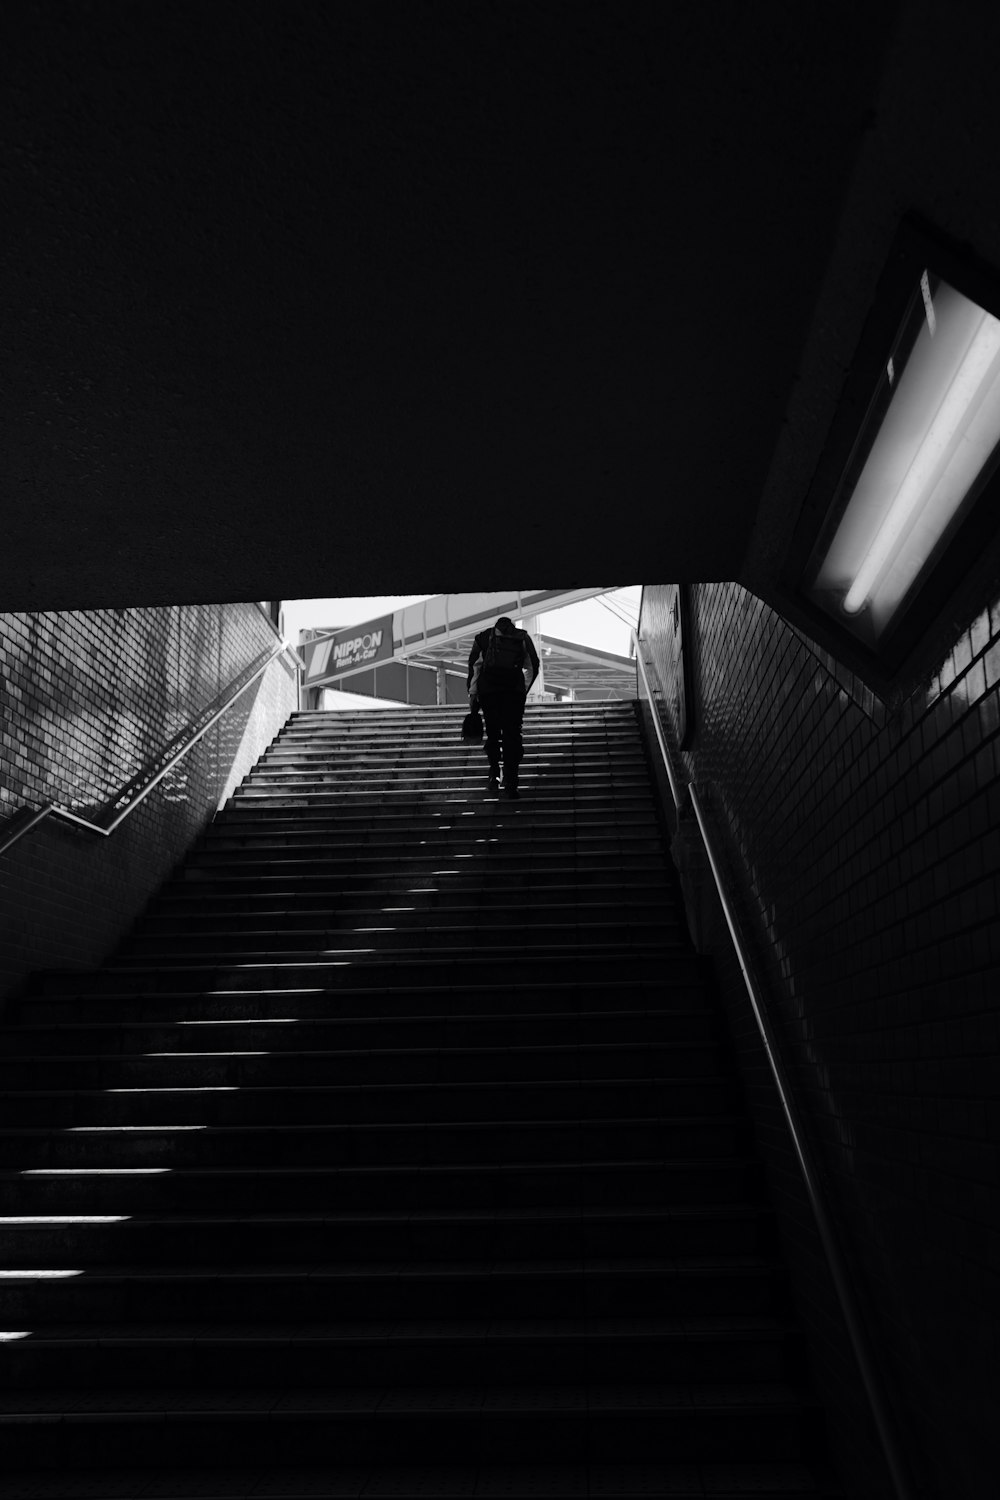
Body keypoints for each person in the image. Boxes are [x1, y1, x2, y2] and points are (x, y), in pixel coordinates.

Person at [466, 616, 540, 798]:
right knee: (512, 735)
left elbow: (475, 667)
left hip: (489, 693)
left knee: (493, 734)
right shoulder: (522, 637)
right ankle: (511, 781)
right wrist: (523, 689)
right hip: (513, 693)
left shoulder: (483, 637)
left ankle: (493, 776)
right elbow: (534, 666)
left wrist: (473, 695)